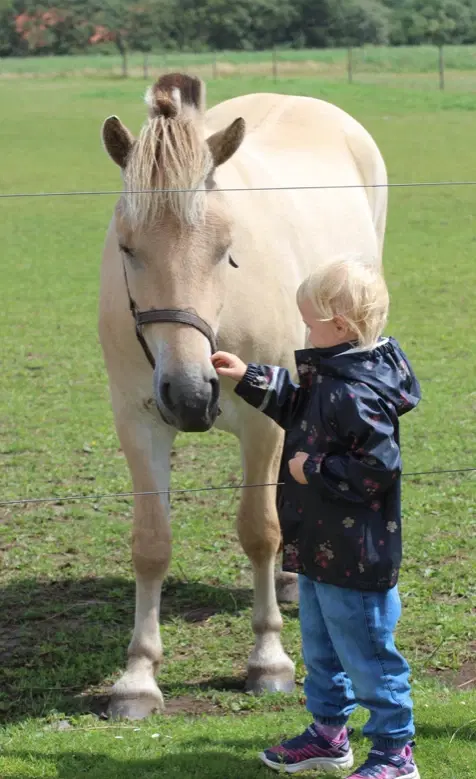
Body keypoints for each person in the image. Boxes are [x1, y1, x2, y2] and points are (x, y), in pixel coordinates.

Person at [211, 254, 421, 779]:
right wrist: (249, 377)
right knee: (323, 651)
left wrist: (315, 468)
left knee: (370, 657)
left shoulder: (358, 391)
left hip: (356, 556)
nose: (303, 328)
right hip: (319, 547)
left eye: (309, 321)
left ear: (341, 326)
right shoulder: (333, 373)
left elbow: (378, 468)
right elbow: (300, 402)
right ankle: (329, 734)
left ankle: (396, 754)